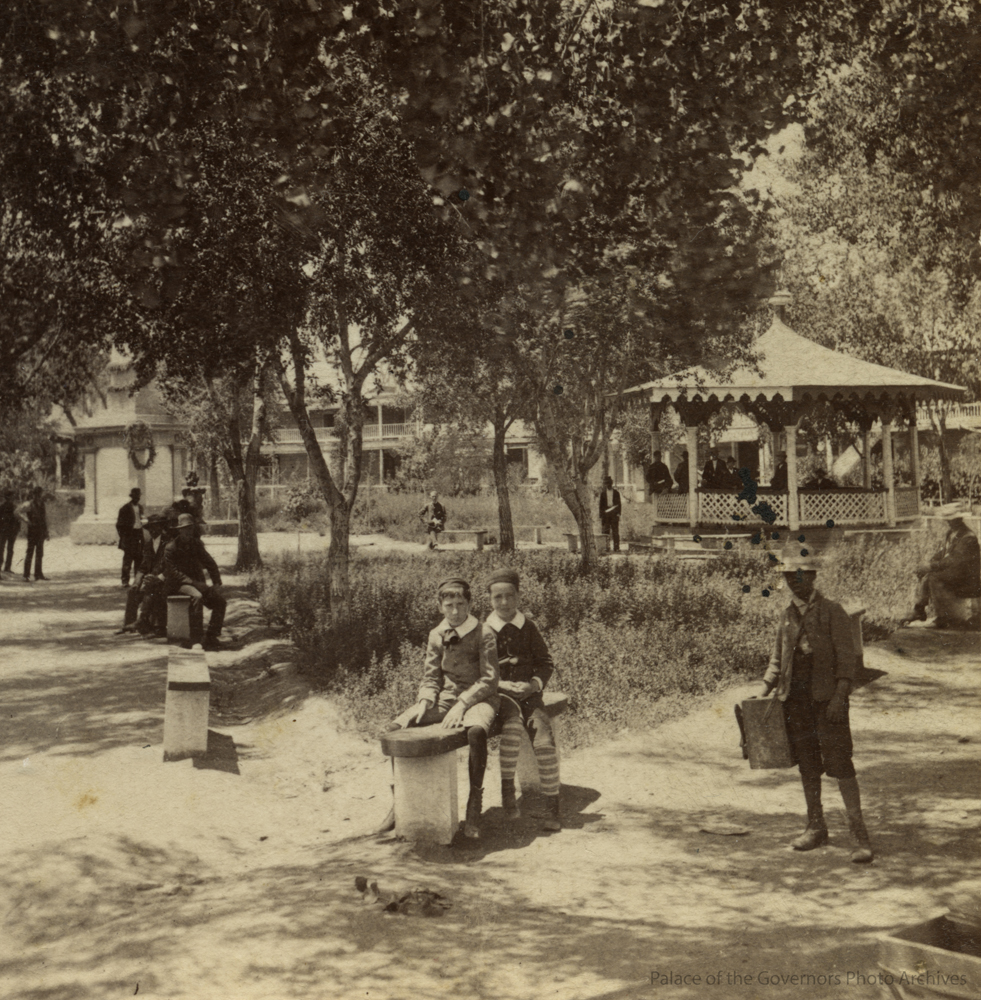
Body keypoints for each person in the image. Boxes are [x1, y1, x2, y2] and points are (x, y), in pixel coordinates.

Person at [756, 554, 873, 863]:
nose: (795, 581)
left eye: (801, 574)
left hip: (828, 701)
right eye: (788, 576)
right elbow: (777, 660)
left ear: (813, 576)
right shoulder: (786, 615)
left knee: (840, 763)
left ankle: (858, 833)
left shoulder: (833, 611)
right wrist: (762, 692)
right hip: (796, 702)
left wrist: (839, 697)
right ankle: (816, 826)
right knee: (808, 764)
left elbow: (847, 661)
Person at [382, 576, 499, 840]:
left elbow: (490, 679)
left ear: (469, 604)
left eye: (460, 604)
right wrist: (425, 701)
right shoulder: (436, 634)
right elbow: (431, 676)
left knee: (476, 731)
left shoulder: (484, 632)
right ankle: (399, 802)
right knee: (395, 728)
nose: (455, 612)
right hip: (446, 699)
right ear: (440, 607)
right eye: (449, 606)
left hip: (479, 698)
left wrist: (463, 704)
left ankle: (474, 804)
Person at [486, 568, 562, 832]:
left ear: (518, 596)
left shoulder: (528, 627)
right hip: (500, 699)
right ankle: (508, 792)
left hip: (530, 698)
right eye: (498, 597)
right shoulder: (484, 631)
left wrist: (533, 685)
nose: (504, 602)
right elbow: (479, 672)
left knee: (544, 741)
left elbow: (545, 663)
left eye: (510, 596)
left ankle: (552, 806)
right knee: (512, 731)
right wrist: (501, 684)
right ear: (490, 599)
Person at [901, 504, 981, 630]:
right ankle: (919, 610)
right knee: (927, 575)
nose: (949, 522)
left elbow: (954, 560)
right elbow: (944, 552)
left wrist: (931, 566)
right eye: (948, 520)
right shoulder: (951, 533)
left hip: (967, 578)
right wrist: (929, 562)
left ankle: (943, 618)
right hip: (955, 573)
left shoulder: (968, 537)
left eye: (952, 520)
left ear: (959, 519)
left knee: (934, 577)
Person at [163, 512, 227, 650]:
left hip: (197, 583)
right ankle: (195, 639)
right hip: (178, 584)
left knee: (220, 602)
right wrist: (195, 583)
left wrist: (217, 582)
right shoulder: (171, 548)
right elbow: (173, 573)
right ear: (179, 530)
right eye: (185, 529)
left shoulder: (196, 544)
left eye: (190, 528)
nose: (188, 532)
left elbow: (210, 563)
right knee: (197, 596)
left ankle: (211, 636)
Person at [117, 514, 169, 636]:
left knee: (152, 588)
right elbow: (143, 567)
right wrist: (137, 582)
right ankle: (130, 624)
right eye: (150, 528)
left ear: (161, 527)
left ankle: (147, 623)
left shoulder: (169, 543)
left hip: (166, 579)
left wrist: (158, 578)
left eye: (155, 527)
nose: (152, 530)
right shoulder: (148, 544)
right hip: (152, 579)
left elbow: (172, 567)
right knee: (133, 591)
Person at [116, 487, 145, 587]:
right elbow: (119, 525)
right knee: (128, 559)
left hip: (139, 534)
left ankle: (137, 581)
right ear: (132, 497)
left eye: (138, 496)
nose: (137, 498)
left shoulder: (140, 507)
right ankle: (125, 581)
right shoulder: (125, 508)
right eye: (135, 496)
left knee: (139, 558)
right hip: (129, 535)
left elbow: (142, 520)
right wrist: (124, 536)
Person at [19, 486, 49, 582]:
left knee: (40, 553)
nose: (39, 496)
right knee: (30, 552)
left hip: (40, 532)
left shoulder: (42, 504)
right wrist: (27, 520)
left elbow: (44, 519)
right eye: (38, 494)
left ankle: (38, 574)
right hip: (32, 531)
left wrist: (46, 532)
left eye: (40, 494)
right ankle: (26, 575)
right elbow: (18, 512)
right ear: (34, 494)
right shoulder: (29, 504)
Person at [599, 476, 621, 553]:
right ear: (605, 484)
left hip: (614, 514)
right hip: (606, 514)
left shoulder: (616, 493)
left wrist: (618, 513)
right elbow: (601, 505)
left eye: (609, 483)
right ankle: (606, 547)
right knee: (606, 531)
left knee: (615, 531)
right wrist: (601, 515)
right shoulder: (603, 494)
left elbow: (619, 504)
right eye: (606, 484)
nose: (608, 485)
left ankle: (616, 547)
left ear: (611, 484)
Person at [0, 489, 19, 575]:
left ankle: (5, 567)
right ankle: (7, 567)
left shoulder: (2, 506)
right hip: (9, 530)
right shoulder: (13, 507)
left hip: (6, 530)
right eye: (11, 496)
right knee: (8, 549)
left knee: (3, 548)